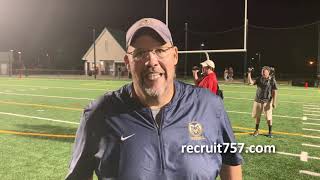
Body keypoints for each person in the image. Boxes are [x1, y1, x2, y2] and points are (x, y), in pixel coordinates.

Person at [66, 18, 242, 180]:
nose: (152, 61)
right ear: (128, 62)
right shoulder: (100, 113)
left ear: (174, 55)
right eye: (140, 53)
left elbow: (231, 163)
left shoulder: (209, 106)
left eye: (160, 50)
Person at [252, 66, 278, 138]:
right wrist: (248, 73)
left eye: (264, 72)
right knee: (257, 116)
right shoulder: (259, 79)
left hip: (267, 101)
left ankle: (270, 132)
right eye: (262, 71)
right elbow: (251, 82)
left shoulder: (272, 80)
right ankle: (256, 130)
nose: (263, 73)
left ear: (268, 72)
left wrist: (274, 102)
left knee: (269, 118)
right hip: (258, 100)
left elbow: (274, 91)